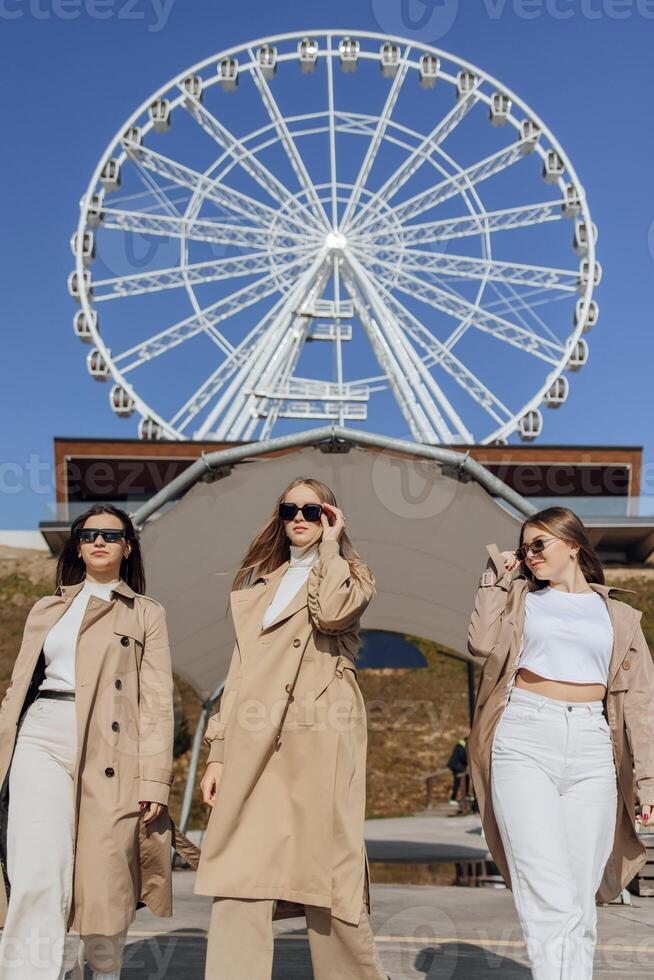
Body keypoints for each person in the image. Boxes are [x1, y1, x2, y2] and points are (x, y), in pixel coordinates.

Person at [195, 477, 389, 980]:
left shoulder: (351, 574)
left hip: (318, 734)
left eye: (313, 509)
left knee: (327, 875)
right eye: (289, 509)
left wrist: (332, 548)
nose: (299, 518)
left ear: (331, 516)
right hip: (252, 736)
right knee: (240, 870)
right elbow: (238, 673)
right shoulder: (256, 586)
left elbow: (330, 614)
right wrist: (216, 750)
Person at [467, 506, 654, 979]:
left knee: (579, 893)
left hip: (594, 745)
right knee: (546, 888)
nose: (529, 556)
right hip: (524, 737)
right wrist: (495, 579)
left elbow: (643, 704)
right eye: (524, 547)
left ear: (573, 545)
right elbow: (481, 644)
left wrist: (648, 781)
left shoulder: (620, 616)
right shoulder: (519, 600)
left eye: (539, 545)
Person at [0, 505, 175, 980]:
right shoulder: (47, 608)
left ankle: (98, 973)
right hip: (42, 731)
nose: (99, 542)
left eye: (111, 535)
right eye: (89, 534)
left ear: (128, 546)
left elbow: (157, 701)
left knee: (107, 880)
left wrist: (155, 780)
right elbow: (19, 687)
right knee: (37, 867)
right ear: (78, 546)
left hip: (113, 746)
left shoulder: (146, 613)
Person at [446, 737, 468, 808]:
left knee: (465, 778)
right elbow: (462, 757)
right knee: (457, 782)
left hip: (457, 766)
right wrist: (468, 761)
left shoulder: (460, 745)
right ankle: (453, 798)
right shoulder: (461, 747)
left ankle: (466, 795)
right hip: (457, 767)